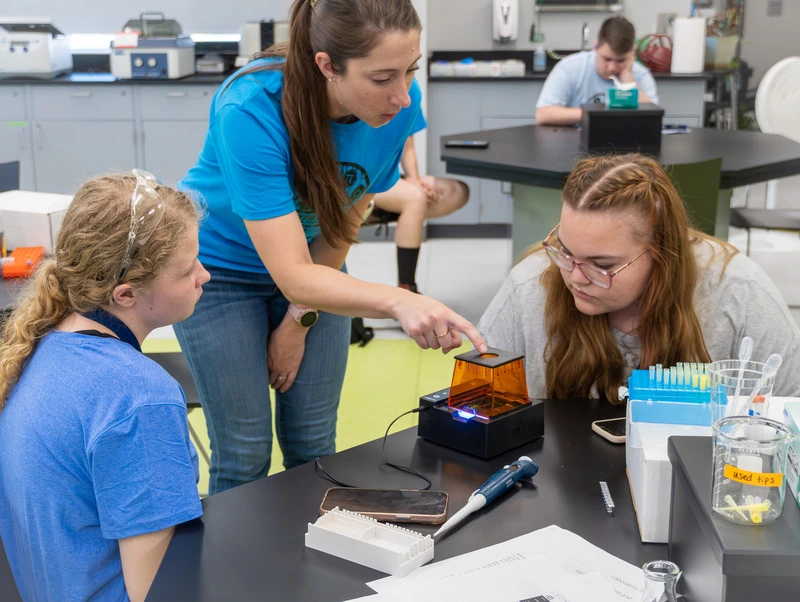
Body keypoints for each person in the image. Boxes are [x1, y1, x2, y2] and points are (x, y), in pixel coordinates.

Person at [176, 0, 486, 495]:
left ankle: (309, 568)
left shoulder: (398, 108)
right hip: (221, 274)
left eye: (411, 71)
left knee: (314, 444)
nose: (402, 96)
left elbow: (342, 224)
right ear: (327, 65)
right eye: (383, 77)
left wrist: (297, 322)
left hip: (315, 266)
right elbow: (293, 272)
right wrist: (402, 297)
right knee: (244, 449)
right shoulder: (251, 108)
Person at [0, 171, 208, 601]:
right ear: (126, 295)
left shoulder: (35, 349)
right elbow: (158, 591)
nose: (203, 276)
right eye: (188, 269)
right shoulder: (139, 398)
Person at [479, 154, 800, 402]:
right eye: (565, 250)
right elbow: (477, 404)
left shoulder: (738, 292)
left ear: (661, 251)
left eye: (601, 264)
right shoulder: (529, 286)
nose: (574, 277)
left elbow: (790, 409)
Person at [369, 129, 470, 293]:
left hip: (384, 174)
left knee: (458, 193)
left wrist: (415, 181)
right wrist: (416, 190)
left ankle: (388, 209)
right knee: (416, 198)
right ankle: (407, 286)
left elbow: (407, 146)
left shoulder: (410, 105)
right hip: (359, 171)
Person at [535, 16, 659, 127]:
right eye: (607, 59)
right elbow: (543, 114)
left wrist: (629, 82)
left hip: (624, 146)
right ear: (595, 47)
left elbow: (653, 119)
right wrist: (597, 115)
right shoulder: (570, 67)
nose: (612, 68)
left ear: (631, 53)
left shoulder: (641, 75)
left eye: (621, 60)